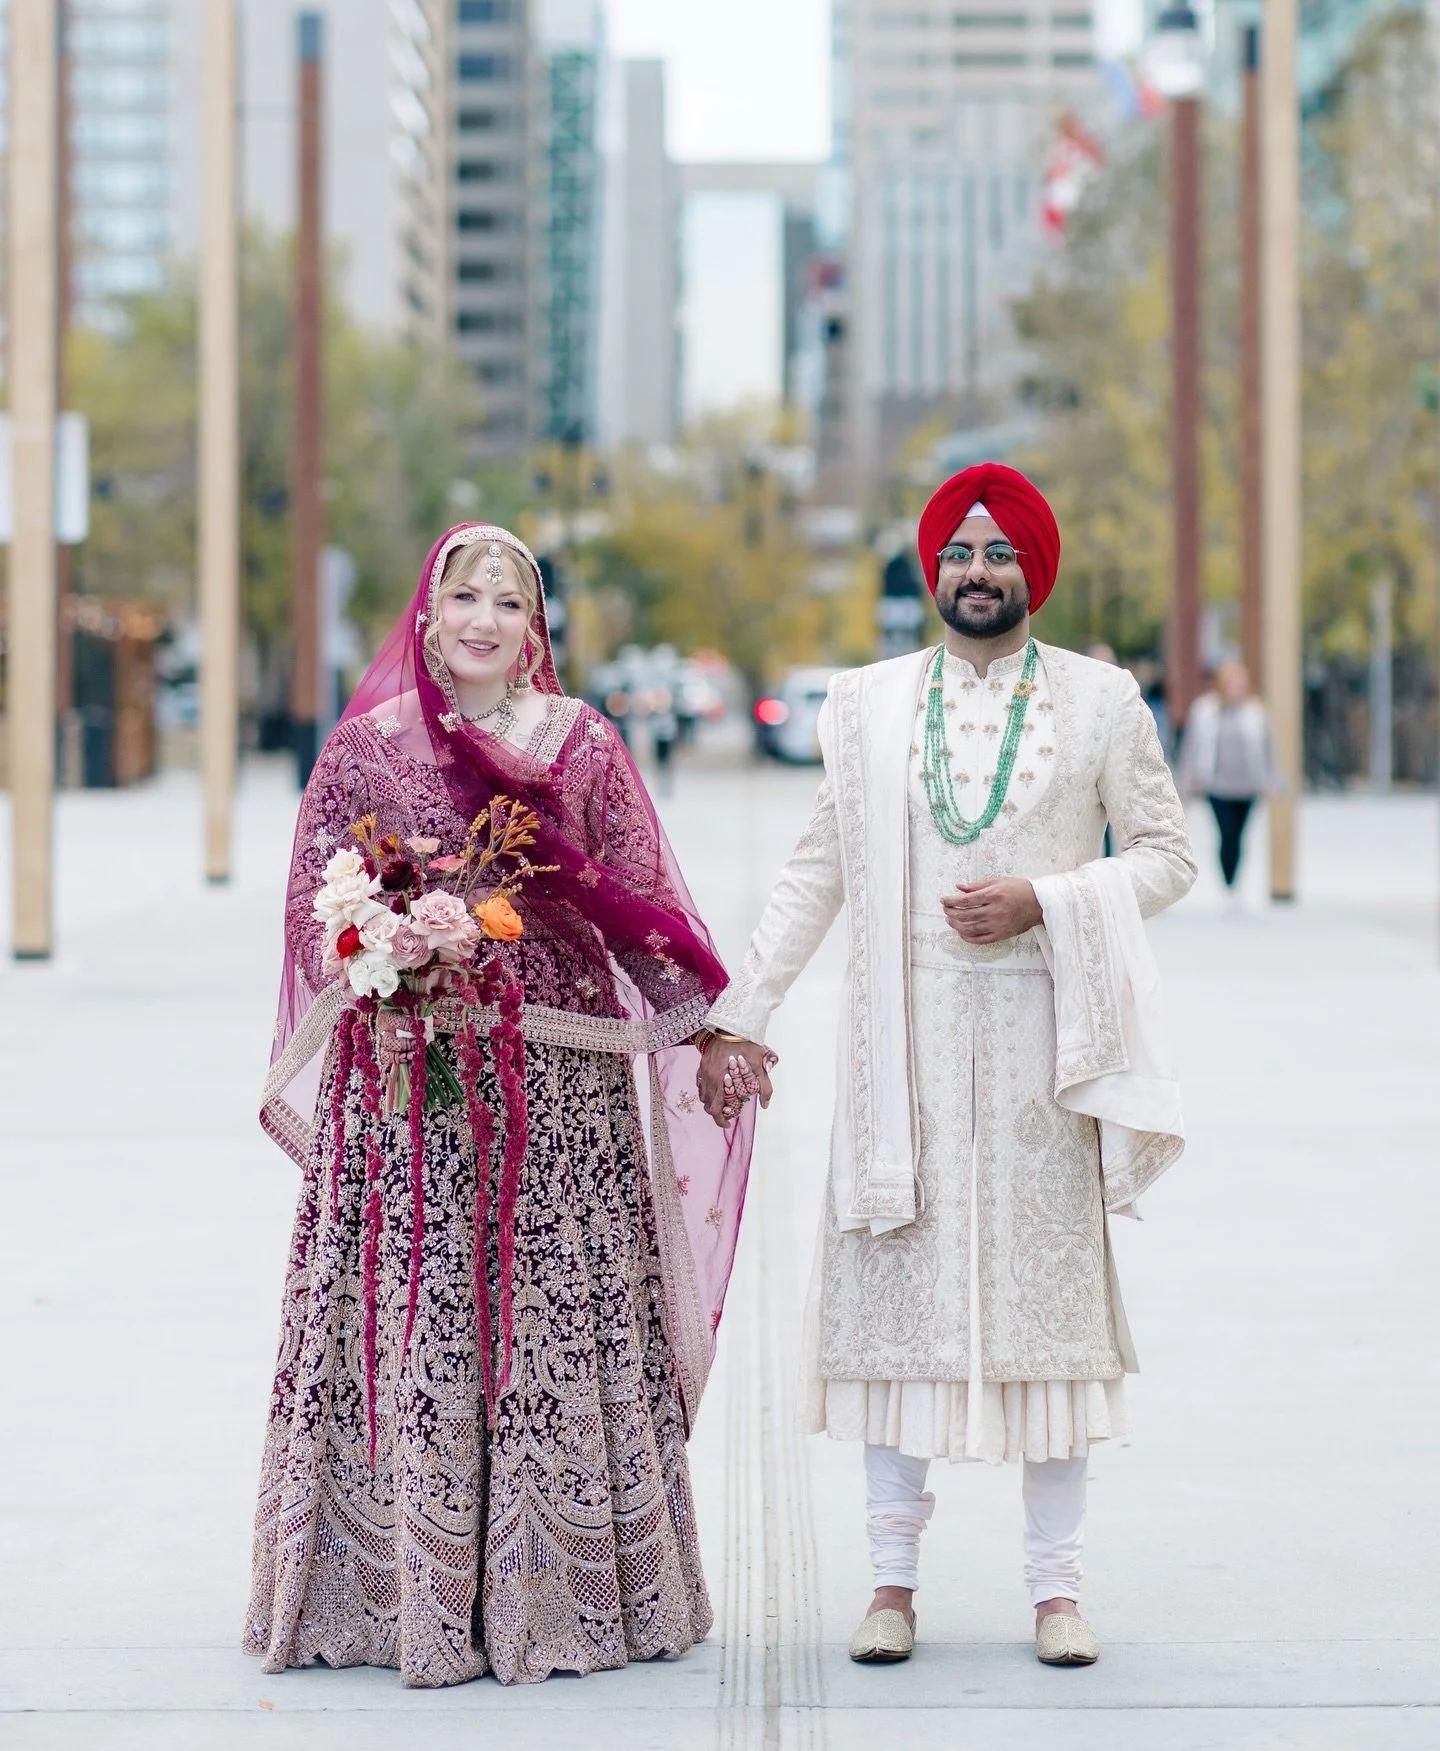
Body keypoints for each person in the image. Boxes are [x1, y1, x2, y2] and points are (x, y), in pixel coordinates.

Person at [698, 464, 1196, 1669]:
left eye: (1001, 554)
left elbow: (1170, 857)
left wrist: (1051, 897)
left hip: (1044, 1055)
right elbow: (821, 869)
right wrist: (740, 1013)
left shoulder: (1101, 700)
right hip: (903, 1054)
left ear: (1036, 567)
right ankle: (890, 1585)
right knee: (901, 1315)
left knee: (1046, 1319)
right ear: (933, 572)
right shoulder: (865, 704)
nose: (979, 572)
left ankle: (1057, 1591)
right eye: (959, 554)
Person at [244, 524, 756, 1687]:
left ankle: (563, 1596)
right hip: (409, 1099)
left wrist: (715, 1024)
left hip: (559, 1096)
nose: (483, 619)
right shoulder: (366, 749)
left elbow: (640, 897)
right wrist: (382, 952)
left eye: (509, 603)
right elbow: (309, 908)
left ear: (536, 633)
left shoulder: (584, 745)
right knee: (417, 1317)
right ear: (425, 616)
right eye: (462, 596)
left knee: (547, 1320)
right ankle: (389, 1597)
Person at [1178, 661, 1273, 906]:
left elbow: (1268, 749)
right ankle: (1229, 886)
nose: (1235, 688)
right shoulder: (1204, 711)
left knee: (1239, 836)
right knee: (1226, 833)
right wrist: (1188, 781)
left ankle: (1235, 881)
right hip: (1217, 785)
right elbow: (1192, 747)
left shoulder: (1255, 712)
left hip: (1247, 786)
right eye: (1231, 683)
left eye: (1239, 683)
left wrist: (1270, 780)